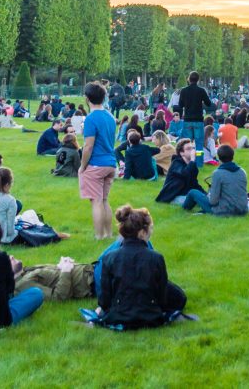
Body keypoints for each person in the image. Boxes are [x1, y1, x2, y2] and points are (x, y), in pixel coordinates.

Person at [90, 205, 187, 329]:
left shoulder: (109, 257)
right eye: (150, 228)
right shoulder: (156, 258)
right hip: (150, 317)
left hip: (117, 315)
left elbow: (104, 300)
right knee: (179, 297)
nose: (152, 232)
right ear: (141, 233)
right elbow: (162, 298)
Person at [78, 81, 118, 240]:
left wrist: (82, 166)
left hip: (96, 164)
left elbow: (88, 147)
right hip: (110, 163)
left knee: (96, 202)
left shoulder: (91, 118)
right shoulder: (110, 116)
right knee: (104, 200)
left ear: (87, 99)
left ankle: (99, 236)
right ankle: (108, 234)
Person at [155, 139, 210, 212]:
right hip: (173, 196)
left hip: (185, 193)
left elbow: (194, 184)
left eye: (192, 148)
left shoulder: (191, 165)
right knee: (197, 200)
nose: (192, 151)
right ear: (181, 153)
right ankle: (212, 211)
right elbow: (185, 174)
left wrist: (205, 194)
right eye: (188, 149)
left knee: (205, 198)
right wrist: (192, 160)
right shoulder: (176, 163)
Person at [206, 144, 248, 216]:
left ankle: (185, 210)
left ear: (219, 158)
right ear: (233, 157)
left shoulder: (217, 173)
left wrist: (210, 193)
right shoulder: (242, 171)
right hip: (243, 209)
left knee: (193, 193)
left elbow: (213, 201)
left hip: (225, 211)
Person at [174, 71, 211, 148]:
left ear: (189, 79)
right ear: (198, 80)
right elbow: (208, 103)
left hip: (188, 119)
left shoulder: (184, 90)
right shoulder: (201, 90)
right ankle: (199, 159)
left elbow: (180, 105)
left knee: (187, 144)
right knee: (199, 144)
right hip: (198, 119)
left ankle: (189, 158)